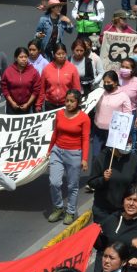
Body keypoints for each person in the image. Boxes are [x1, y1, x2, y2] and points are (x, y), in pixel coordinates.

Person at [46, 90, 90, 225]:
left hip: (74, 154)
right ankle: (58, 208)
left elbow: (86, 139)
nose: (69, 104)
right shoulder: (59, 114)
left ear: (78, 102)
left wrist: (84, 159)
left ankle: (71, 211)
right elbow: (55, 133)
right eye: (67, 101)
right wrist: (50, 150)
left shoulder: (84, 118)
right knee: (54, 182)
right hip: (57, 151)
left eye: (72, 101)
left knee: (72, 186)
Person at [86, 141, 137, 220]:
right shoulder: (101, 158)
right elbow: (91, 182)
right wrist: (103, 179)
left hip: (125, 211)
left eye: (129, 142)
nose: (128, 145)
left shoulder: (134, 159)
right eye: (125, 142)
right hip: (103, 211)